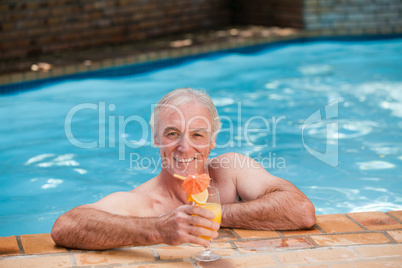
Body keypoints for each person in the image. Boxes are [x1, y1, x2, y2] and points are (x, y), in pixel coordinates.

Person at [51, 87, 315, 250]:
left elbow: (301, 211)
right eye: (172, 133)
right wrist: (158, 229)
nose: (184, 148)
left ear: (212, 140)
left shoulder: (231, 170)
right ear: (155, 138)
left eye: (198, 135)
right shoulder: (143, 203)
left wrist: (213, 215)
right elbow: (66, 226)